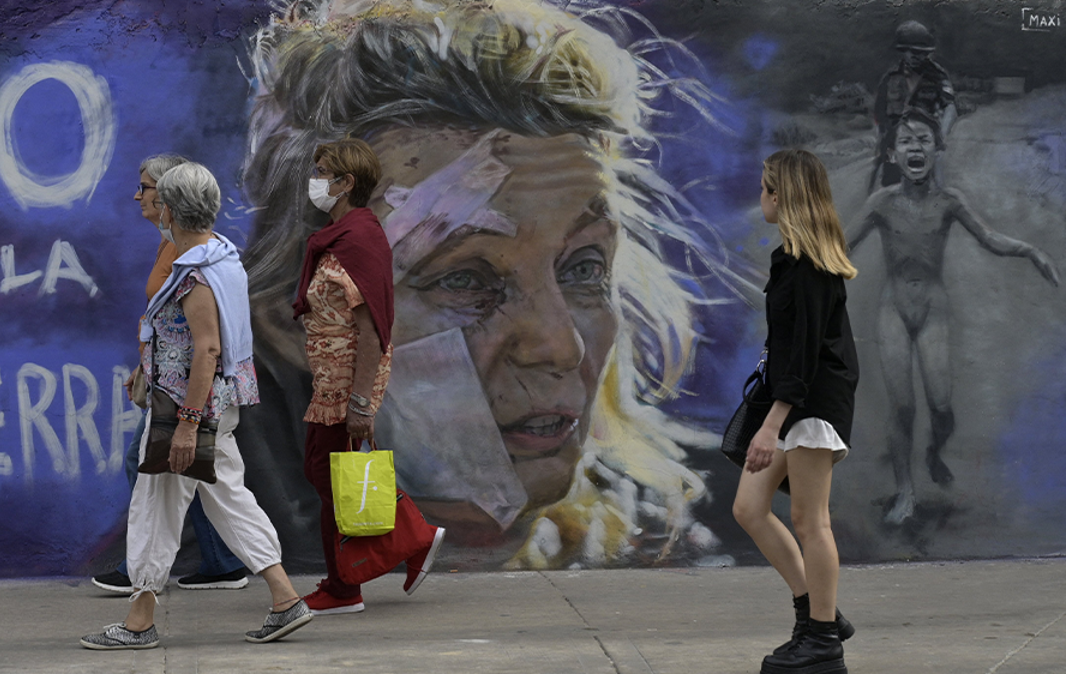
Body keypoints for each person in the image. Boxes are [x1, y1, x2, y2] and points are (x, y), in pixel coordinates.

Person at [239, 0, 737, 571]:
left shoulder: (671, 548)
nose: (558, 346)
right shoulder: (219, 549)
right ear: (295, 320)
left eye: (582, 268)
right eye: (464, 278)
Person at [81, 163, 311, 649]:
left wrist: (186, 423)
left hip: (186, 408)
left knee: (156, 504)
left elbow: (206, 348)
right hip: (211, 404)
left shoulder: (195, 275)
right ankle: (285, 597)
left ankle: (140, 620)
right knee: (229, 496)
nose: (151, 206)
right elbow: (189, 343)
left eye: (156, 199)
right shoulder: (221, 256)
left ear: (170, 209)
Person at [847, 110, 1059, 525]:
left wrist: (1032, 251)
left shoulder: (950, 201)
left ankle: (933, 451)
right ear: (892, 153)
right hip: (893, 309)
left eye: (924, 139)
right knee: (903, 405)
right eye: (906, 141)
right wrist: (796, 268)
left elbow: (990, 238)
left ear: (937, 149)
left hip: (933, 310)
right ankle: (905, 491)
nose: (916, 147)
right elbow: (839, 247)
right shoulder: (882, 203)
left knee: (942, 406)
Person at [294, 138, 445, 614]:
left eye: (322, 171)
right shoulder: (339, 235)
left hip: (346, 384)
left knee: (328, 472)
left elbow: (373, 328)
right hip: (331, 381)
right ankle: (382, 557)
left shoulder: (358, 239)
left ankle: (349, 584)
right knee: (330, 474)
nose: (314, 180)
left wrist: (360, 402)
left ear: (345, 183)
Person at [91, 153, 251, 594]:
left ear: (168, 197)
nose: (137, 195)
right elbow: (164, 316)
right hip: (170, 379)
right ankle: (220, 564)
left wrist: (189, 417)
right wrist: (145, 364)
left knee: (159, 470)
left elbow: (206, 341)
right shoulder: (173, 245)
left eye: (145, 187)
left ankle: (141, 573)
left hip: (185, 388)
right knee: (194, 475)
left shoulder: (197, 257)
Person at [732, 150, 858, 674]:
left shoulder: (808, 267)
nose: (759, 195)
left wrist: (769, 425)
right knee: (749, 508)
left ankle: (823, 642)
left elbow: (804, 355)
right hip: (794, 400)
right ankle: (817, 615)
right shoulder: (790, 258)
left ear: (781, 195)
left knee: (811, 521)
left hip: (810, 404)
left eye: (765, 186)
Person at [870, 20, 957, 190]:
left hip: (923, 139)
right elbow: (879, 111)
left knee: (932, 188)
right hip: (896, 141)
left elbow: (950, 107)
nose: (916, 56)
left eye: (922, 52)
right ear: (903, 51)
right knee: (887, 188)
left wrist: (941, 137)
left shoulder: (937, 75)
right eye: (912, 52)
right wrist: (882, 138)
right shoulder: (891, 77)